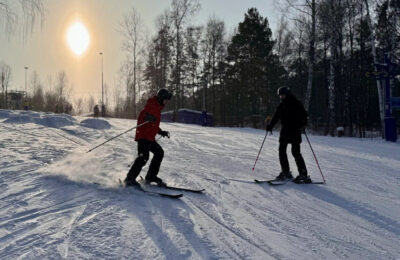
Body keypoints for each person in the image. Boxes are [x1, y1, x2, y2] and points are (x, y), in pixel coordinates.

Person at [124, 89, 172, 187]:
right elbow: (142, 115)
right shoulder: (151, 106)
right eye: (166, 100)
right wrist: (146, 118)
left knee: (159, 153)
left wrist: (160, 131)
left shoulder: (158, 108)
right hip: (143, 137)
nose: (167, 102)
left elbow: (153, 124)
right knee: (143, 157)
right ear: (161, 98)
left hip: (150, 138)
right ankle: (130, 179)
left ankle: (151, 176)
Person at [266, 86, 311, 183]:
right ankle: (286, 172)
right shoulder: (281, 105)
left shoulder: (296, 103)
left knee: (295, 152)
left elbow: (304, 116)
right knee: (281, 151)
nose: (281, 97)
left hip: (294, 131)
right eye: (280, 96)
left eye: (283, 95)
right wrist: (270, 126)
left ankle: (303, 174)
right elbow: (276, 117)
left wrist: (302, 124)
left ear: (287, 94)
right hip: (285, 131)